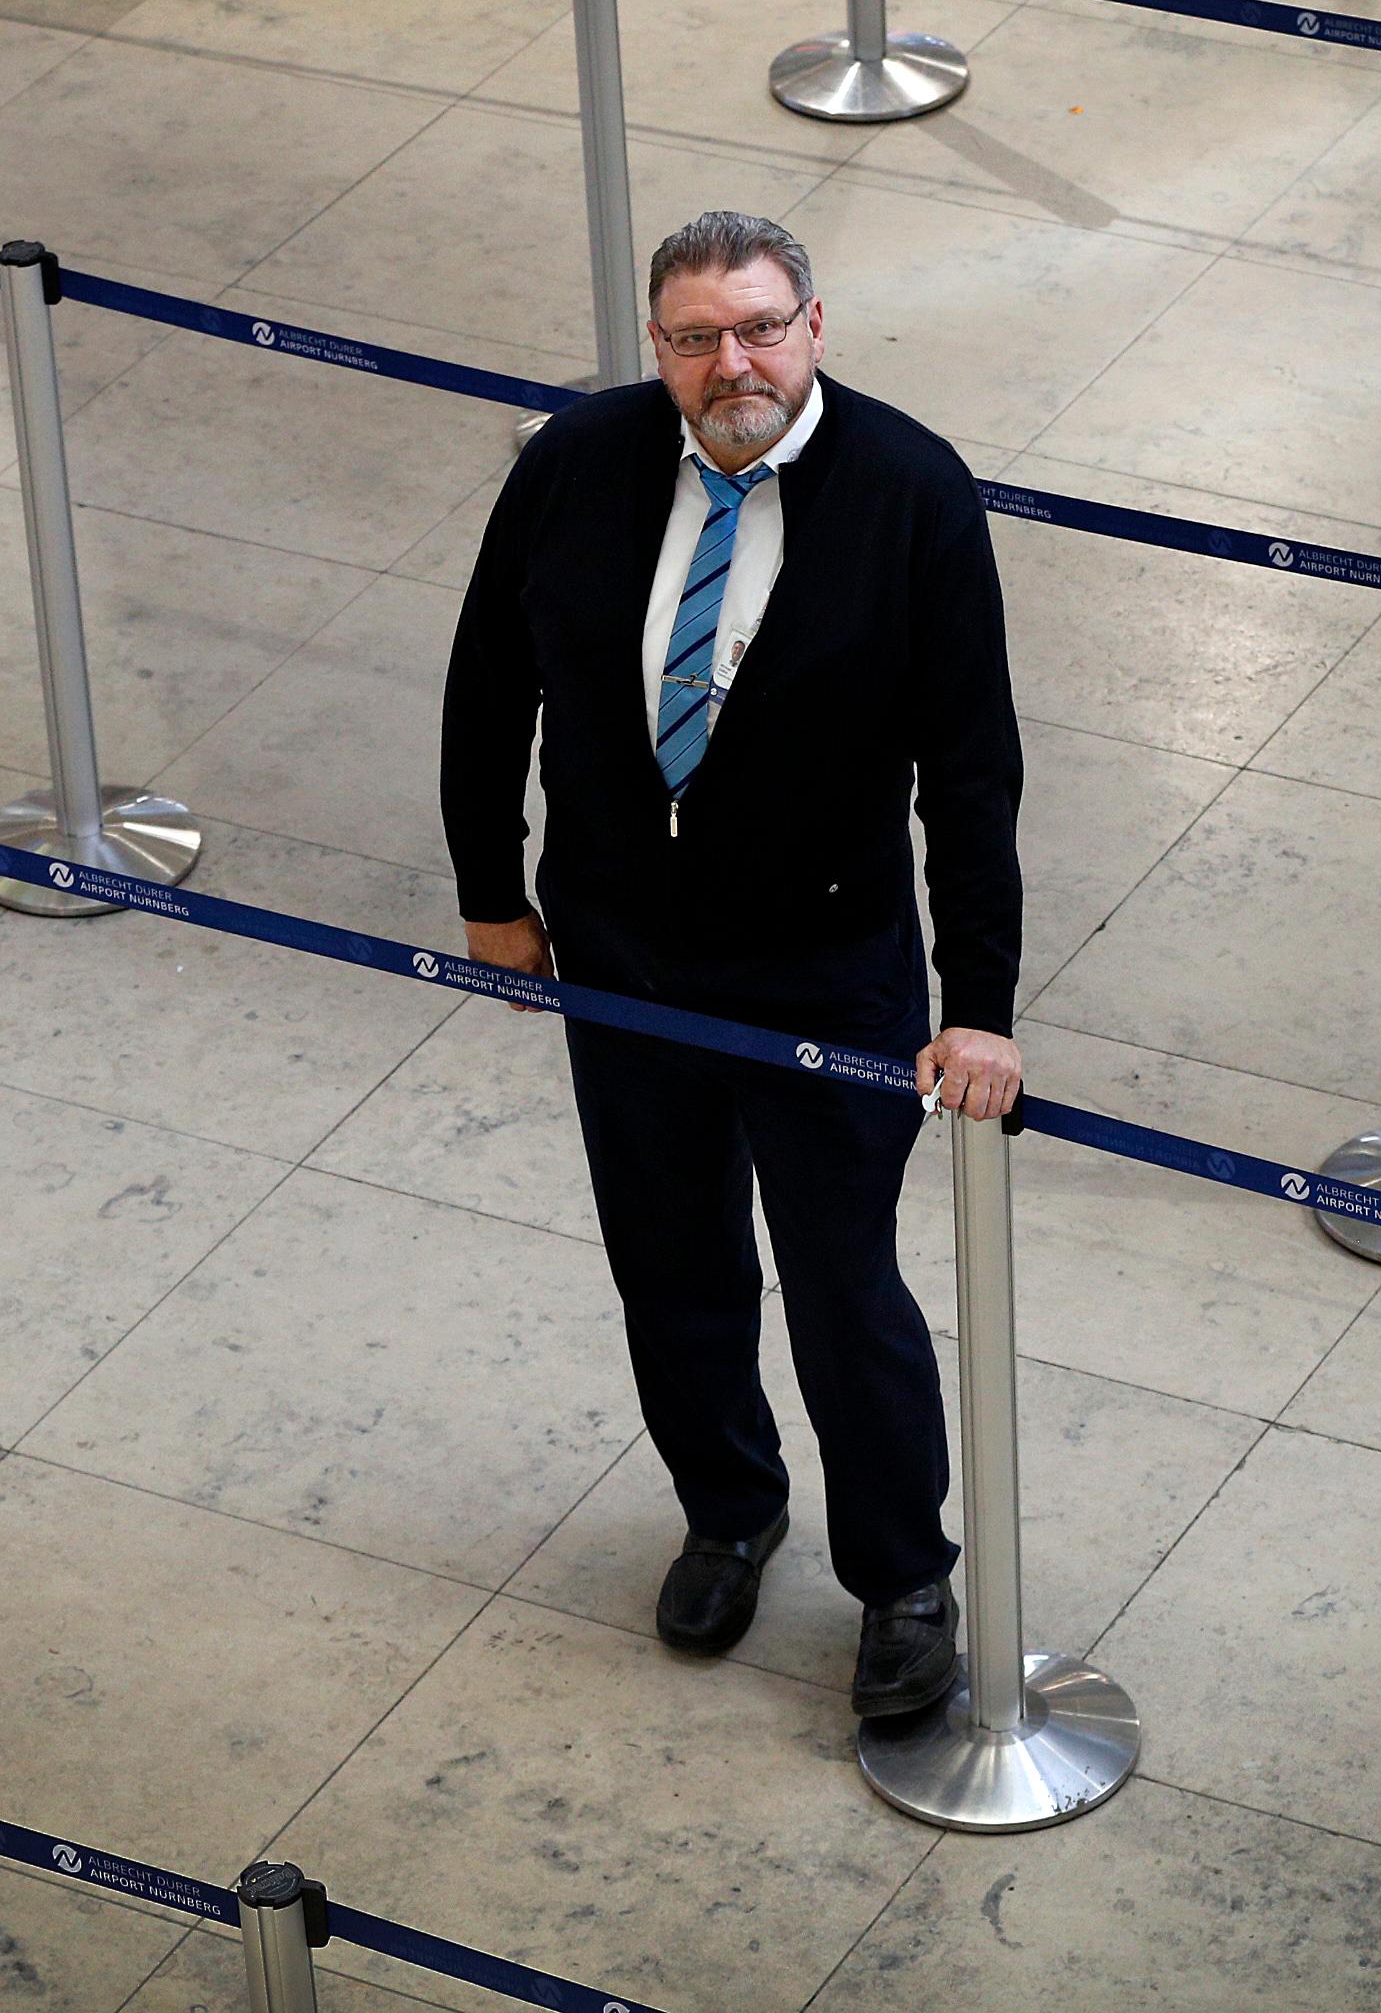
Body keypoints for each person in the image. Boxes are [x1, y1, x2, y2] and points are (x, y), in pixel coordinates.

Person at [439, 209, 1023, 1720]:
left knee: (845, 1292)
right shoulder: (576, 462)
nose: (732, 363)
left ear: (816, 328)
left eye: (760, 328)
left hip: (824, 976)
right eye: (697, 337)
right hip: (624, 961)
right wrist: (493, 893)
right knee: (673, 1264)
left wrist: (982, 1008)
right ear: (659, 348)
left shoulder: (911, 493)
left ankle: (902, 1578)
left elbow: (970, 771)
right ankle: (729, 1509)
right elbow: (488, 681)